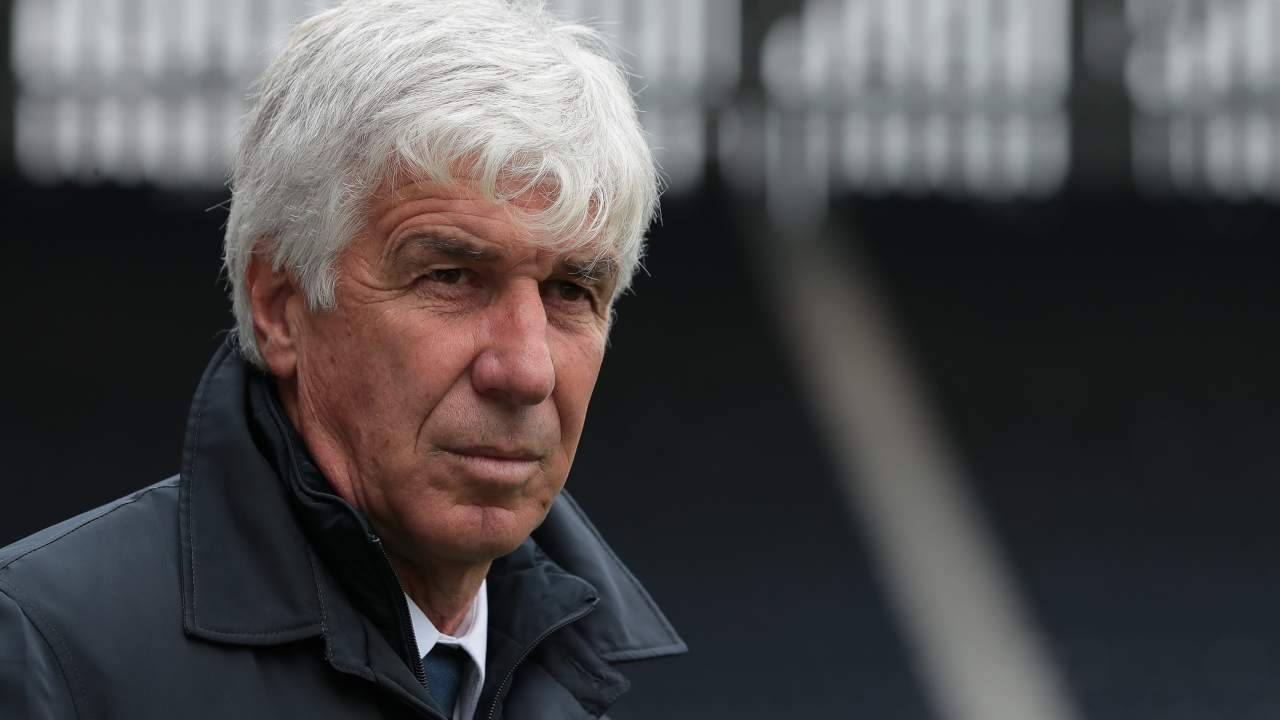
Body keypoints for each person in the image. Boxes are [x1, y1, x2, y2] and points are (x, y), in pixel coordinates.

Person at [0, 1, 686, 718]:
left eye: (573, 291)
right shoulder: (47, 657)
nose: (526, 370)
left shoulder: (594, 681)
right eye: (449, 276)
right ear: (280, 307)